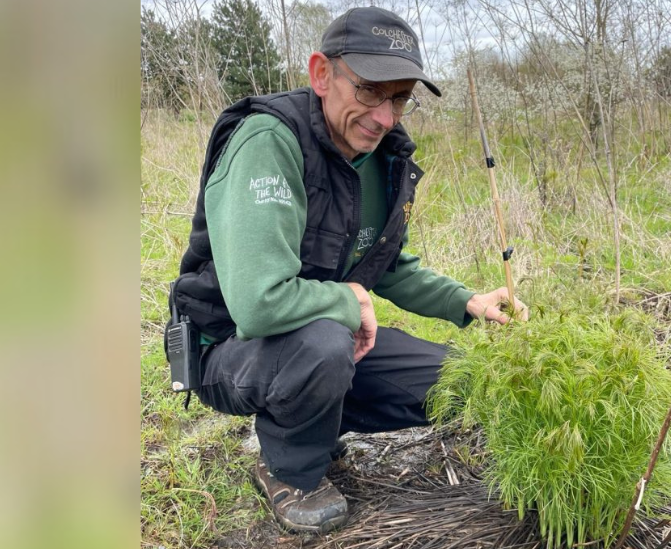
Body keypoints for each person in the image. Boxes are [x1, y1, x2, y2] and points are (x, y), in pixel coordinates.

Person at [167, 6, 527, 534]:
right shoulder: (268, 141)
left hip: (321, 340)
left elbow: (385, 265)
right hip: (228, 346)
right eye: (368, 90)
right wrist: (348, 300)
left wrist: (467, 302)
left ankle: (314, 409)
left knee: (457, 382)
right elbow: (258, 301)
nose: (384, 116)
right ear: (321, 74)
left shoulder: (378, 159)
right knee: (325, 342)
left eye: (399, 98)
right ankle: (291, 470)